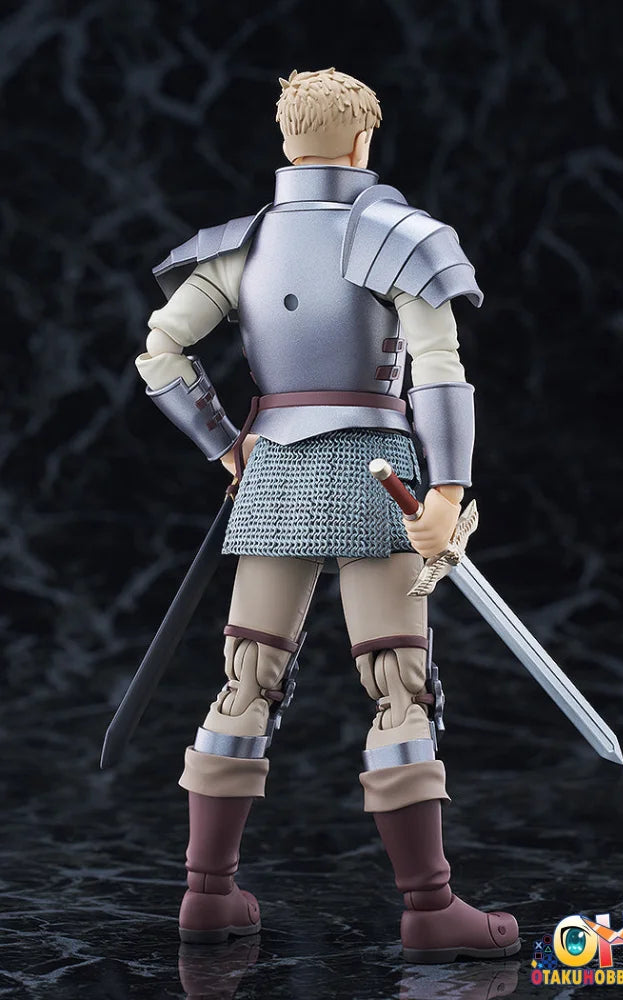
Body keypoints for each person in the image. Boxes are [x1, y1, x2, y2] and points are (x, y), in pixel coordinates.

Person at [135, 67, 520, 963]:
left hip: (272, 472)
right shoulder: (398, 235)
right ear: (361, 142)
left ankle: (207, 896)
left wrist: (230, 445)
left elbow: (160, 351)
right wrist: (448, 490)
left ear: (285, 141)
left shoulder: (240, 246)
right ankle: (429, 909)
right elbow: (439, 369)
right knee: (398, 685)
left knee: (246, 681)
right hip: (376, 473)